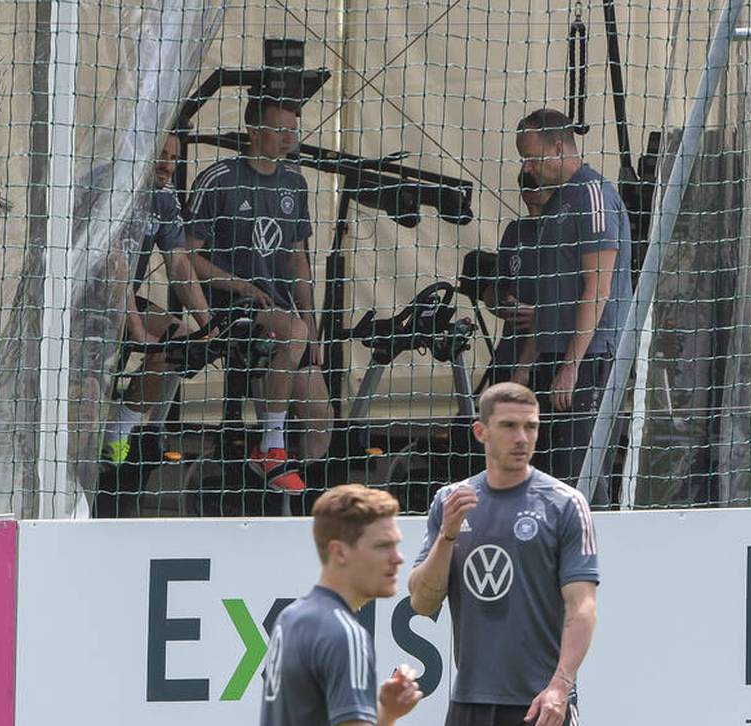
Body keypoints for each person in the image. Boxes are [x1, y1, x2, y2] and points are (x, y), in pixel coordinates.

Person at [408, 382, 598, 726]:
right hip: (469, 702)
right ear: (481, 432)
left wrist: (560, 686)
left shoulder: (565, 504)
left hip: (541, 703)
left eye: (531, 427)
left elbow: (582, 606)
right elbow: (422, 602)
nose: (522, 438)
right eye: (509, 426)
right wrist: (448, 535)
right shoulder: (450, 501)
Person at [184, 96, 333, 492]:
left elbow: (298, 260)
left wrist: (312, 325)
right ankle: (271, 447)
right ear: (253, 131)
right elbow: (186, 258)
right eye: (280, 130)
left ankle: (288, 498)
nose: (289, 138)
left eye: (293, 130)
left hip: (280, 314)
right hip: (232, 309)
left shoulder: (294, 183)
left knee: (321, 419)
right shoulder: (219, 179)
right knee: (291, 333)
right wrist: (240, 284)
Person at [513, 108, 633, 503]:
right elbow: (549, 298)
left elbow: (597, 287)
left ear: (558, 148)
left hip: (590, 360)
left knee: (582, 478)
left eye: (532, 158)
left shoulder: (593, 195)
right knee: (552, 478)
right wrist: (525, 367)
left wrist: (572, 366)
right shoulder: (554, 205)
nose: (527, 168)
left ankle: (596, 542)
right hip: (553, 358)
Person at [260, 484, 423, 726]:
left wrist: (387, 713)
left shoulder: (290, 618)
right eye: (383, 546)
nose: (398, 558)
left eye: (396, 545)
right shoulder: (345, 634)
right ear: (339, 552)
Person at [102, 133, 213, 465]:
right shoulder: (114, 189)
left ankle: (119, 435)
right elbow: (113, 265)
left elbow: (179, 263)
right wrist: (137, 330)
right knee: (87, 385)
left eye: (174, 158)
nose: (167, 164)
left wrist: (209, 326)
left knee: (178, 341)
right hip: (80, 302)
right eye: (161, 154)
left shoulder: (164, 195)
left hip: (123, 298)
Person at [482, 170, 550, 388]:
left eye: (538, 205)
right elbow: (493, 290)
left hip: (549, 360)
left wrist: (544, 316)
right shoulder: (516, 230)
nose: (533, 212)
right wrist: (503, 304)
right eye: (528, 204)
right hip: (509, 356)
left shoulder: (569, 234)